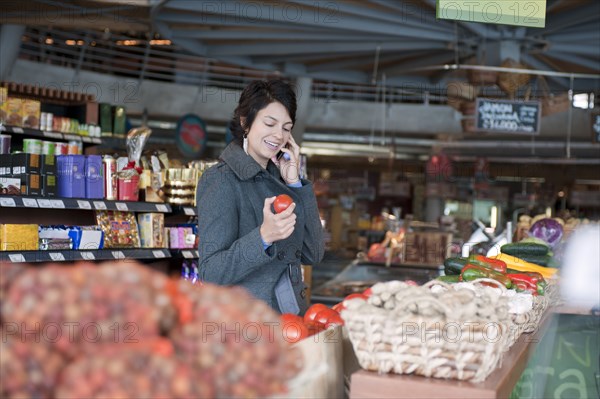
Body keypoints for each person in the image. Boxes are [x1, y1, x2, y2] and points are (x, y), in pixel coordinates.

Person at [196, 79, 324, 315]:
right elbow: (211, 273)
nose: (279, 135)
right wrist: (263, 237)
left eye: (286, 128)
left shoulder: (281, 180)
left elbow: (313, 253)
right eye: (270, 123)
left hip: (288, 319)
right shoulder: (220, 180)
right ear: (245, 122)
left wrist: (296, 183)